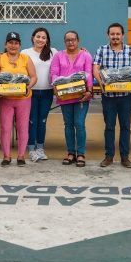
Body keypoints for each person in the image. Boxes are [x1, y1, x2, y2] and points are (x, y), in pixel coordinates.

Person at [93, 22, 131, 168]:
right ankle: (109, 156)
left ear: (122, 35)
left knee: (125, 126)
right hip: (109, 96)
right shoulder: (102, 50)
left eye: (118, 34)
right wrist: (101, 84)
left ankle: (125, 157)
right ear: (108, 35)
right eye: (112, 34)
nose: (115, 37)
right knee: (109, 126)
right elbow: (95, 68)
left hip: (126, 95)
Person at [50, 31, 93, 167]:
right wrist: (56, 90)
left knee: (79, 124)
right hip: (65, 96)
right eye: (68, 40)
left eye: (73, 40)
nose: (71, 42)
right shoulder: (58, 56)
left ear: (78, 40)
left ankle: (80, 153)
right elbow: (54, 73)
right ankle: (70, 153)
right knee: (68, 124)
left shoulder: (86, 55)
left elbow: (89, 73)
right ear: (64, 42)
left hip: (81, 95)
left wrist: (89, 91)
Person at [0, 31, 37, 166]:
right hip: (5, 99)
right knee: (5, 127)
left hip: (23, 99)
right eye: (10, 43)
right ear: (5, 45)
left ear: (19, 45)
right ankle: (6, 156)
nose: (13, 46)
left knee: (22, 127)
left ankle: (21, 156)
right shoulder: (0, 59)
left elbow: (34, 77)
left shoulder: (25, 58)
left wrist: (28, 87)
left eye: (16, 43)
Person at [22, 27, 57, 162]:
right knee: (32, 121)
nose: (40, 39)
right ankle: (31, 149)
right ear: (33, 37)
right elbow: (13, 59)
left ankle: (40, 148)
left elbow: (66, 56)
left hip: (47, 92)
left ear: (47, 40)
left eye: (43, 37)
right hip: (31, 91)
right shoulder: (25, 52)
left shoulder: (53, 52)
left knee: (42, 121)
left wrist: (82, 50)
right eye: (38, 36)